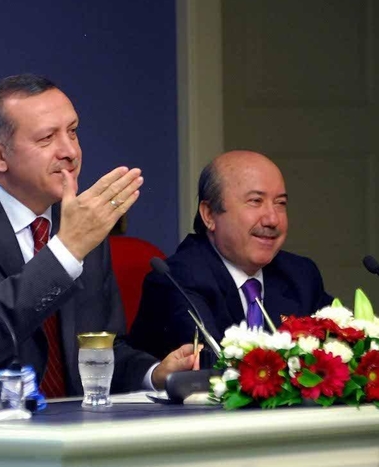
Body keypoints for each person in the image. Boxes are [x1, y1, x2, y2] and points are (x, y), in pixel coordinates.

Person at [0, 74, 197, 397]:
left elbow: (103, 349)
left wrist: (155, 374)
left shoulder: (81, 223)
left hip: (78, 421)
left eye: (73, 131)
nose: (70, 151)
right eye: (47, 138)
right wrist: (66, 251)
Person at [129, 150, 333, 361]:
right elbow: (213, 364)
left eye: (280, 203)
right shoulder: (179, 280)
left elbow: (339, 351)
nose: (272, 219)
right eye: (256, 201)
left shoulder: (300, 275)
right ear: (209, 214)